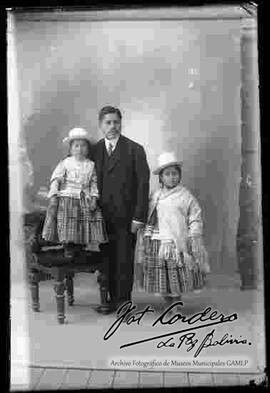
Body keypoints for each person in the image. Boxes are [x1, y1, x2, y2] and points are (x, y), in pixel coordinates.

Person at [134, 152, 210, 307]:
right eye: (167, 174)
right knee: (162, 275)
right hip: (157, 240)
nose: (171, 177)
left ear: (179, 176)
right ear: (161, 177)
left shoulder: (185, 196)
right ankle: (168, 301)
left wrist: (194, 234)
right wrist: (145, 233)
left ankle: (176, 302)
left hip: (175, 240)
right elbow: (149, 214)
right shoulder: (155, 195)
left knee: (174, 273)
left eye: (174, 174)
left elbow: (195, 216)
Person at [94, 106, 150, 312]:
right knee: (106, 257)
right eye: (108, 123)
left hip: (127, 215)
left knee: (124, 258)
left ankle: (124, 301)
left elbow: (143, 185)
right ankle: (108, 299)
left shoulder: (134, 149)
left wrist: (139, 217)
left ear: (121, 123)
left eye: (116, 122)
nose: (112, 126)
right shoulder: (95, 150)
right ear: (101, 125)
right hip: (101, 216)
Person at [42, 127, 108, 257]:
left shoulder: (91, 165)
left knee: (84, 221)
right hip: (68, 196)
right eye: (76, 146)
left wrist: (94, 197)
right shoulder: (66, 163)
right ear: (71, 149)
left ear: (88, 149)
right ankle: (68, 246)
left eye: (83, 146)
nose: (80, 149)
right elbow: (55, 179)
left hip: (84, 197)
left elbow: (93, 183)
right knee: (68, 221)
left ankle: (81, 244)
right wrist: (54, 194)